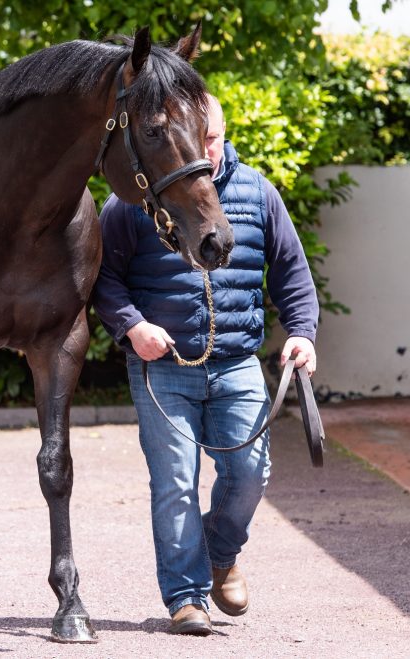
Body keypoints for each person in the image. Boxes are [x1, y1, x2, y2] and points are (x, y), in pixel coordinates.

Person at [91, 93, 319, 636]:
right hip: (164, 366)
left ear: (220, 133)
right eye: (198, 139)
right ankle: (186, 597)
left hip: (238, 364)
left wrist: (302, 335)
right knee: (174, 483)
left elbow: (290, 271)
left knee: (251, 472)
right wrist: (132, 325)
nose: (205, 150)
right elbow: (102, 277)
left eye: (212, 139)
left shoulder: (258, 191)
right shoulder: (134, 199)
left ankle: (220, 555)